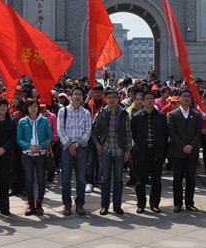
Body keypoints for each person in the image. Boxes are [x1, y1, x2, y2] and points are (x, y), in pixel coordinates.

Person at [92, 88, 132, 215]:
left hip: (119, 151)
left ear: (118, 99)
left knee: (118, 180)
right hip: (106, 150)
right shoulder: (101, 113)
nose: (112, 100)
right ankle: (104, 206)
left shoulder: (124, 114)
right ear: (106, 99)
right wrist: (98, 144)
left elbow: (128, 134)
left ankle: (117, 206)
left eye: (114, 97)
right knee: (105, 180)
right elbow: (93, 130)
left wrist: (128, 151)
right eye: (109, 97)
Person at [130, 90, 168, 213]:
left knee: (156, 180)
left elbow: (164, 135)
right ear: (142, 101)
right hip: (142, 152)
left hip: (157, 151)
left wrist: (163, 152)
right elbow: (134, 134)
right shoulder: (136, 117)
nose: (149, 101)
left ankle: (154, 204)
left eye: (151, 98)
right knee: (140, 180)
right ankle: (141, 204)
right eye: (147, 99)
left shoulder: (161, 116)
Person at [57, 86, 91, 216]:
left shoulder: (86, 113)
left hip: (81, 148)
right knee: (66, 179)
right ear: (70, 96)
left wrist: (76, 145)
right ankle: (67, 203)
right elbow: (60, 129)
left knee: (81, 178)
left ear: (83, 97)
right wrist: (69, 145)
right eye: (75, 94)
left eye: (79, 94)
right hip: (66, 148)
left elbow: (88, 131)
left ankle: (80, 203)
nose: (77, 96)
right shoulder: (63, 111)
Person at [167, 89, 202, 213]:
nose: (186, 98)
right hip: (178, 152)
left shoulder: (196, 114)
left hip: (192, 152)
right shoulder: (173, 115)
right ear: (179, 98)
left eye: (188, 96)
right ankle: (177, 203)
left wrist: (191, 146)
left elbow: (198, 133)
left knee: (191, 178)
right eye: (184, 96)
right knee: (177, 179)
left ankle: (189, 203)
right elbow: (172, 133)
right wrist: (183, 146)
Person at [17, 99, 52, 216]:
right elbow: (19, 139)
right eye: (30, 106)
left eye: (35, 106)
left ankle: (39, 203)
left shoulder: (44, 120)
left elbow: (50, 137)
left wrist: (41, 145)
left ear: (38, 108)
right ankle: (31, 204)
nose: (33, 109)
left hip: (41, 155)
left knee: (41, 179)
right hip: (27, 155)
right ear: (27, 108)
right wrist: (29, 146)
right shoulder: (22, 121)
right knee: (29, 179)